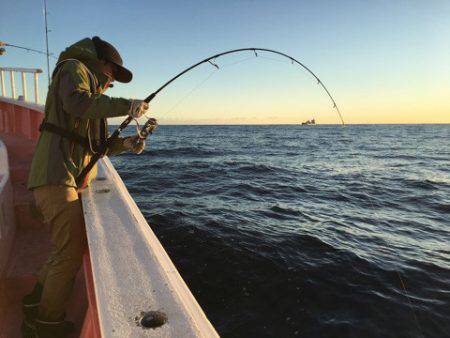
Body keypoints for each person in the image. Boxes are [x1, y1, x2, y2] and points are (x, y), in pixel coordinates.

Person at [22, 36, 148, 337]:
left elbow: (95, 146)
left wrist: (128, 143)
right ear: (102, 62)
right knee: (68, 254)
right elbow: (76, 103)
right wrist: (126, 106)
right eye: (112, 74)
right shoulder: (74, 68)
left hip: (62, 176)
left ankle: (33, 302)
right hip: (56, 176)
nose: (111, 82)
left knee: (62, 250)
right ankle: (46, 325)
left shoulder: (92, 90)